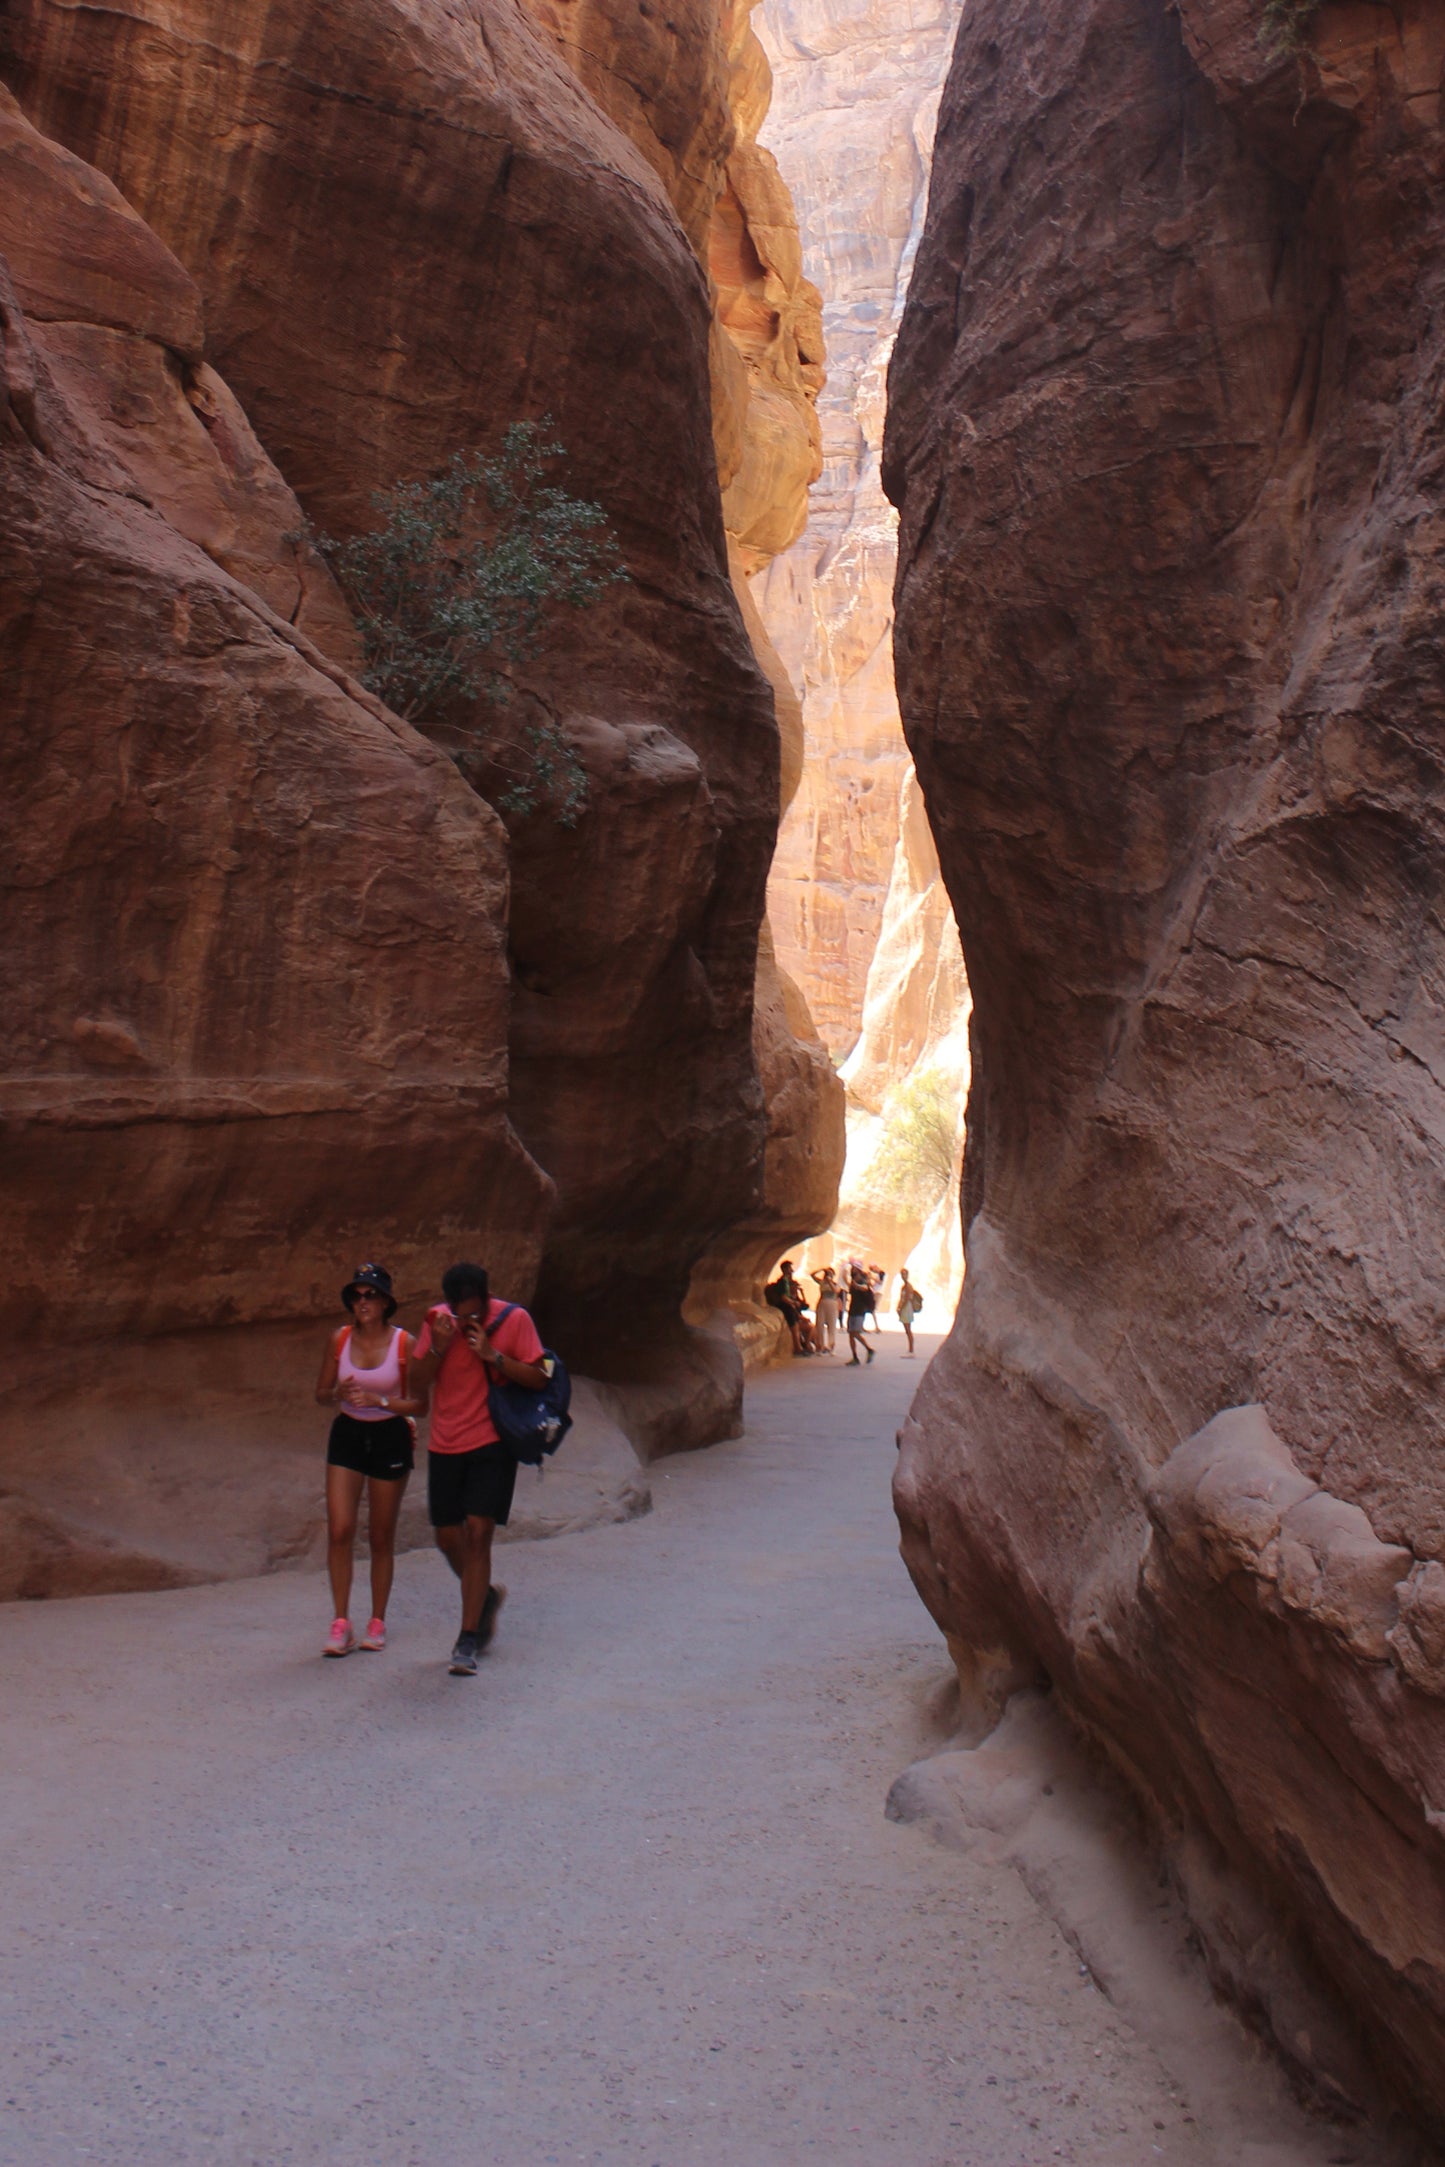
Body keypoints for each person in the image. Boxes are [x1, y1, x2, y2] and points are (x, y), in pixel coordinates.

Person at [408, 1261, 549, 1676]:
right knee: (448, 1538)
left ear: (487, 1299)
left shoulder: (514, 1319)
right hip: (446, 1443)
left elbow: (541, 1376)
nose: (466, 1320)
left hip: (491, 1441)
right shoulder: (437, 1321)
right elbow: (416, 1383)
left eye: (473, 1313)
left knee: (479, 1532)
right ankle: (484, 1597)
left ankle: (467, 1639)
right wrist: (437, 1344)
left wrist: (493, 1355)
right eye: (459, 1312)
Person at [314, 1262, 427, 1657]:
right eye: (357, 1295)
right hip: (347, 1433)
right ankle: (340, 1621)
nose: (363, 1302)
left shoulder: (404, 1344)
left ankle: (377, 1621)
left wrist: (382, 1401)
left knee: (380, 1535)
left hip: (389, 1435)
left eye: (371, 1295)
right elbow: (320, 1393)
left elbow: (420, 1403)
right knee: (340, 1529)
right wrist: (337, 1393)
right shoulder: (339, 1339)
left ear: (385, 1302)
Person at [845, 1265, 876, 1365]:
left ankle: (869, 1349)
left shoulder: (863, 1282)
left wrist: (856, 1285)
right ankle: (855, 1356)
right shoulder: (853, 1283)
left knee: (855, 1333)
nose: (854, 1275)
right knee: (851, 1334)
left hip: (859, 1311)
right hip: (852, 1310)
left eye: (855, 1273)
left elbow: (865, 1288)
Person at [811, 1266, 840, 1353]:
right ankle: (820, 1346)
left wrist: (830, 1281)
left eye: (830, 1274)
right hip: (822, 1302)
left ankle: (831, 1346)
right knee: (819, 1324)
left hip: (832, 1303)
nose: (828, 1275)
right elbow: (812, 1275)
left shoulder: (835, 1284)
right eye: (827, 1273)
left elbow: (836, 1291)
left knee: (831, 1325)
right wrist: (821, 1269)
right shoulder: (822, 1282)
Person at [896, 1267, 922, 1356]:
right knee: (907, 1330)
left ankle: (911, 1350)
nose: (903, 1276)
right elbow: (901, 1298)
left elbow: (907, 1299)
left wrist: (901, 1308)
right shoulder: (903, 1286)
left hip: (906, 1308)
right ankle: (910, 1349)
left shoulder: (908, 1286)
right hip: (904, 1308)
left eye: (905, 1274)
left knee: (908, 1330)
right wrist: (898, 1307)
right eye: (902, 1274)